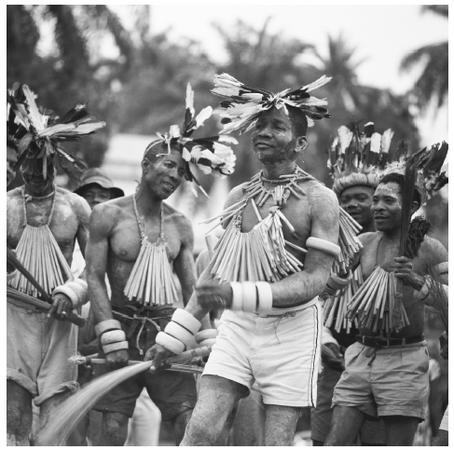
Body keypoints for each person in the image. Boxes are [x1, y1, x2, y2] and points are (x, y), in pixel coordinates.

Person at [147, 73, 341, 445]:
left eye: (277, 127)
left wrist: (236, 294)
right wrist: (175, 338)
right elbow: (213, 275)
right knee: (201, 429)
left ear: (300, 142)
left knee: (276, 440)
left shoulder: (320, 200)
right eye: (260, 125)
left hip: (293, 330)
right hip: (238, 327)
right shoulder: (238, 196)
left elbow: (315, 279)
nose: (263, 132)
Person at [85, 83, 236, 445]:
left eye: (181, 172)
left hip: (165, 331)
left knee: (187, 418)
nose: (174, 175)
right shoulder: (107, 215)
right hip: (120, 323)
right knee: (110, 426)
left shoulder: (180, 225)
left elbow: (191, 290)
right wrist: (108, 331)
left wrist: (199, 338)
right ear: (146, 163)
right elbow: (93, 275)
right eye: (169, 164)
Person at [325, 149, 448, 446]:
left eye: (388, 201)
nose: (377, 207)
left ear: (412, 206)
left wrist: (419, 281)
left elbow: (450, 302)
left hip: (405, 359)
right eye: (376, 199)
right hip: (360, 354)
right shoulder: (363, 243)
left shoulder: (431, 249)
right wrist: (335, 278)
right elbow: (325, 287)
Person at [6, 85, 104, 445]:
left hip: (62, 320)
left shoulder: (76, 208)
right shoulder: (5, 207)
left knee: (55, 413)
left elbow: (95, 268)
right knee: (12, 407)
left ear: (55, 163)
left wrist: (72, 294)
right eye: (25, 165)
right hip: (14, 316)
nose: (32, 173)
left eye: (40, 165)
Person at [311, 122, 392, 446]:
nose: (353, 205)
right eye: (346, 199)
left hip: (383, 358)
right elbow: (311, 298)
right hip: (334, 359)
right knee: (324, 439)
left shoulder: (397, 249)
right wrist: (325, 342)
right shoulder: (324, 247)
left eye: (362, 198)